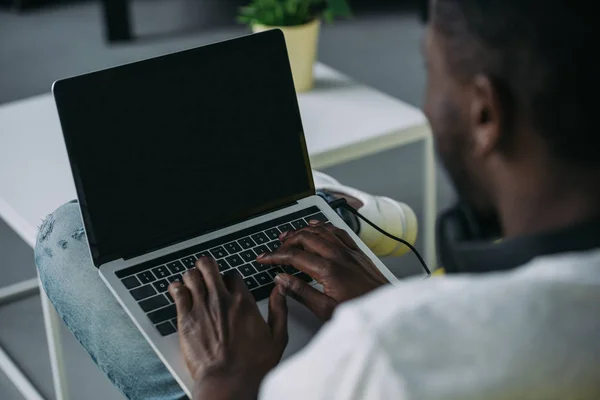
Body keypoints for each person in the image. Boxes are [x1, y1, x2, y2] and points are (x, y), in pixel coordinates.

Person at [35, 0, 600, 399]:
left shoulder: (385, 356)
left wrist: (226, 379)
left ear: (484, 114)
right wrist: (387, 298)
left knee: (65, 238)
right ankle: (330, 208)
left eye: (432, 72)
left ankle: (326, 205)